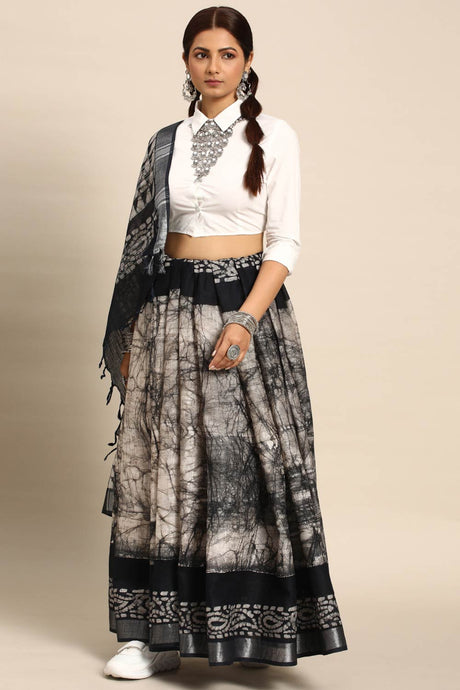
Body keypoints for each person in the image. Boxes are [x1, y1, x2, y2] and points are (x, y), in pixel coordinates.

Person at [99, 6, 348, 679]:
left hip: (245, 309)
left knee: (244, 471)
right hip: (169, 312)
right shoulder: (166, 143)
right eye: (201, 53)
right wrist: (134, 332)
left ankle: (251, 632)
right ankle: (153, 636)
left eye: (227, 54)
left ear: (247, 61)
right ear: (186, 61)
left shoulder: (276, 136)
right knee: (161, 468)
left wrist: (243, 321)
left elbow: (285, 241)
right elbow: (146, 246)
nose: (214, 66)